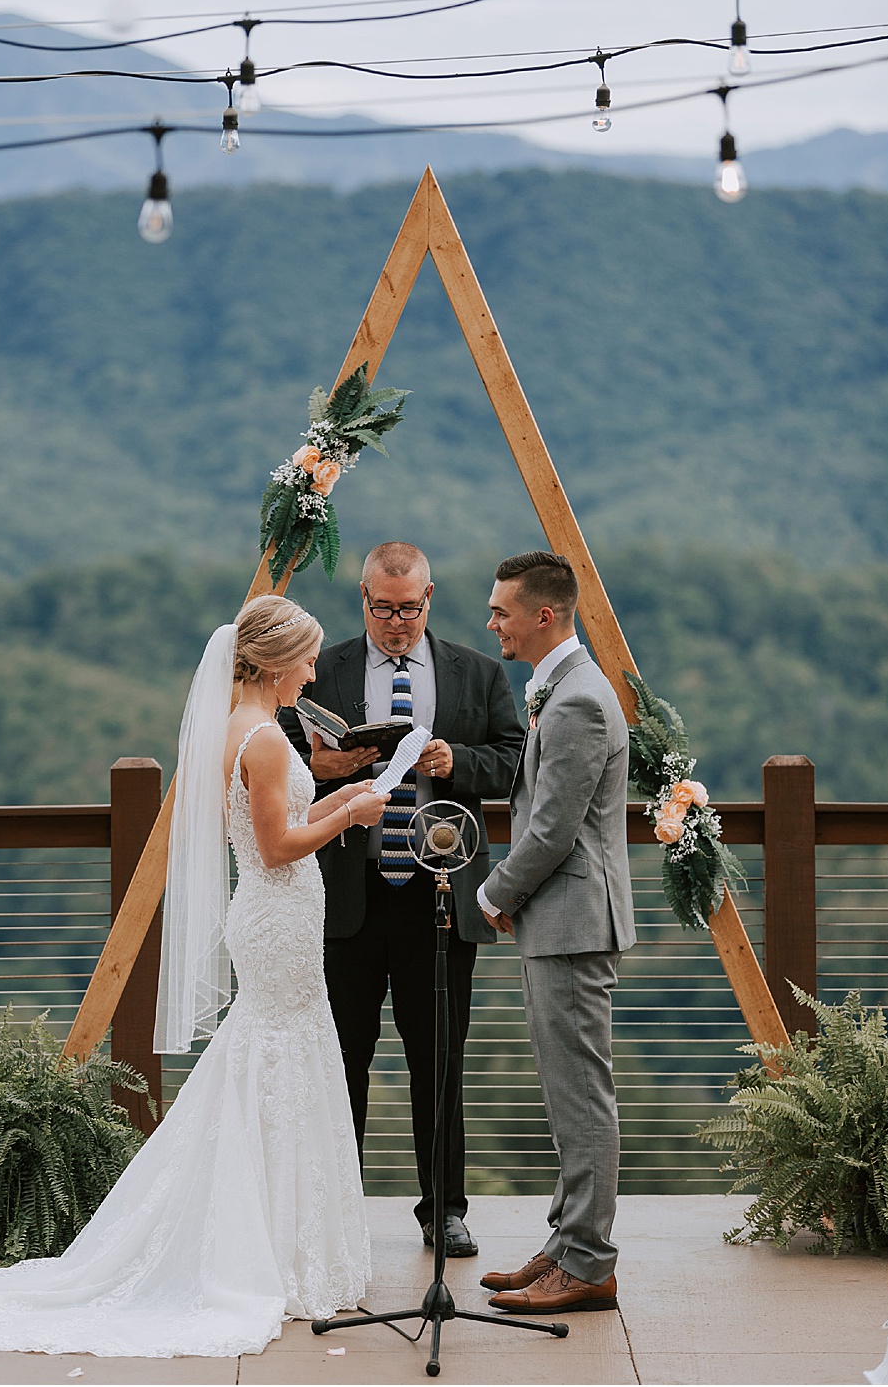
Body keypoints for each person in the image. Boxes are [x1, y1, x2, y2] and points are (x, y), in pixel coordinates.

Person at [0, 597, 389, 1358]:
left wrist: (343, 795)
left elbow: (281, 827)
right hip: (276, 918)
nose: (316, 672)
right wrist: (348, 819)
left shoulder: (246, 731)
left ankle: (282, 1240)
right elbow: (280, 847)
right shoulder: (258, 740)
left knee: (274, 1058)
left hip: (278, 919)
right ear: (279, 659)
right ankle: (276, 1253)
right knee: (278, 1057)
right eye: (310, 658)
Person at [281, 541, 524, 1259]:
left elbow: (514, 759)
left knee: (439, 1059)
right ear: (362, 599)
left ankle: (443, 1210)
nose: (395, 622)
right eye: (382, 608)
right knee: (341, 1060)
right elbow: (282, 755)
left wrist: (456, 760)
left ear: (430, 597)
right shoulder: (322, 670)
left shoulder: (476, 674)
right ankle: (335, 1214)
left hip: (439, 894)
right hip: (347, 896)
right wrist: (332, 763)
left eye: (408, 608)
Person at [475, 550, 634, 1314]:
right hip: (559, 919)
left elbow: (553, 830)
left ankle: (590, 1265)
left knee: (581, 1097)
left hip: (571, 921)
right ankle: (565, 1246)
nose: (491, 622)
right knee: (566, 1093)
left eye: (502, 610)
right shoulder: (561, 686)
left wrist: (493, 891)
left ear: (545, 615)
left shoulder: (575, 702)